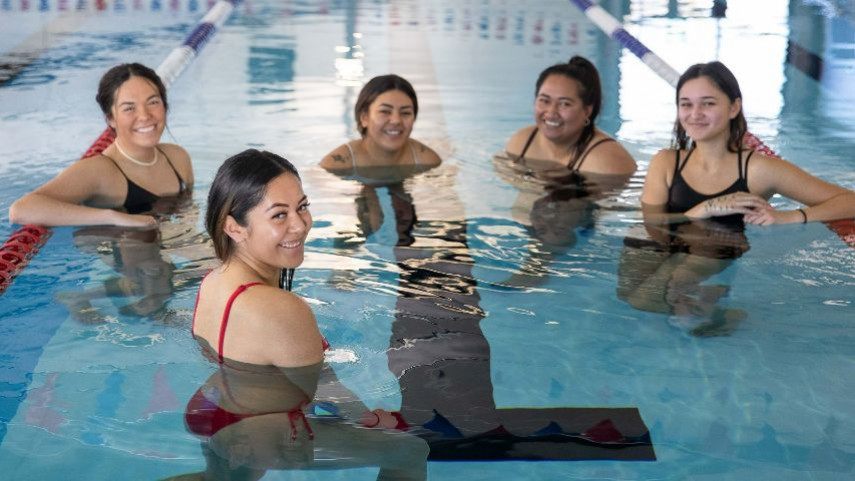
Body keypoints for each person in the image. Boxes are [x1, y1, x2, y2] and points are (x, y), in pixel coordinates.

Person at [181, 149, 427, 480]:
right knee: (409, 451)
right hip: (258, 431)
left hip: (210, 410)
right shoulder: (281, 309)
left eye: (302, 207)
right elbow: (328, 393)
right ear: (234, 227)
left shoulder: (214, 280)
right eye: (279, 215)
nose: (299, 225)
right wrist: (370, 420)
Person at [641, 60, 855, 225]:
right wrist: (706, 208)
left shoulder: (758, 169)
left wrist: (790, 217)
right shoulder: (666, 163)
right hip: (656, 251)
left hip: (708, 260)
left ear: (734, 107)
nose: (695, 114)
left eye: (708, 103)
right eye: (686, 104)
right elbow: (652, 225)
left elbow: (850, 201)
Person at [8, 63, 192, 227]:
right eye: (129, 108)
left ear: (165, 106)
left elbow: (189, 219)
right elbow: (21, 210)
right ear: (110, 118)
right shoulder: (100, 171)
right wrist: (112, 217)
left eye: (153, 102)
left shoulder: (177, 157)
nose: (144, 116)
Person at [505, 56, 636, 176]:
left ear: (587, 111)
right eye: (544, 100)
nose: (551, 113)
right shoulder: (522, 142)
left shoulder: (606, 160)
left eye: (565, 104)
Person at [320, 74, 441, 179]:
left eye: (405, 113)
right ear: (364, 118)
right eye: (385, 111)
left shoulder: (427, 161)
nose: (396, 120)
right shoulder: (336, 165)